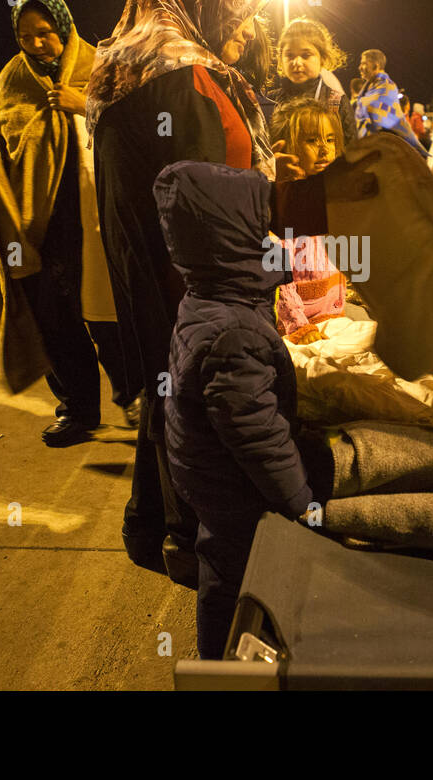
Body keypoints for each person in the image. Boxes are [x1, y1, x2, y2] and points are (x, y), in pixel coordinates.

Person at [86, 0, 380, 586]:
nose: (251, 29)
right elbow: (205, 204)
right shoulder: (179, 75)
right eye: (243, 12)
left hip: (162, 276)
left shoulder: (129, 64)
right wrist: (259, 278)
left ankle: (155, 523)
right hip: (197, 280)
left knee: (173, 397)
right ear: (206, 0)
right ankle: (188, 538)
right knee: (201, 406)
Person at [156, 160, 322, 658]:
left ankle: (217, 659)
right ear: (233, 240)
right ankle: (223, 668)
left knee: (221, 567)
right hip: (233, 486)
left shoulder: (207, 293)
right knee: (236, 581)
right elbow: (259, 437)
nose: (273, 240)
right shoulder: (233, 331)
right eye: (260, 231)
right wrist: (302, 503)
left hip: (205, 475)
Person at [0, 0, 136, 446]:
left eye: (46, 33)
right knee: (54, 317)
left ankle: (136, 397)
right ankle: (78, 410)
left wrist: (84, 105)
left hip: (98, 216)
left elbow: (138, 122)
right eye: (27, 37)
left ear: (64, 28)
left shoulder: (100, 65)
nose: (38, 44)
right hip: (40, 220)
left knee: (108, 314)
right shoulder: (13, 77)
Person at [270, 99, 346, 337]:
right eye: (312, 141)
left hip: (334, 320)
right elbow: (279, 280)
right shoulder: (283, 203)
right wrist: (298, 326)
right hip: (299, 331)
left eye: (330, 140)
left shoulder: (334, 195)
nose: (325, 149)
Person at [271, 17, 358, 147]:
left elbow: (351, 149)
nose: (296, 62)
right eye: (289, 55)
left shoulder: (336, 101)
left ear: (322, 58)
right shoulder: (272, 101)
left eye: (306, 55)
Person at [354, 49, 425, 154]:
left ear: (376, 65)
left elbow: (379, 122)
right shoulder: (369, 88)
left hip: (386, 152)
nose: (360, 67)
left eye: (364, 63)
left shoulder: (386, 87)